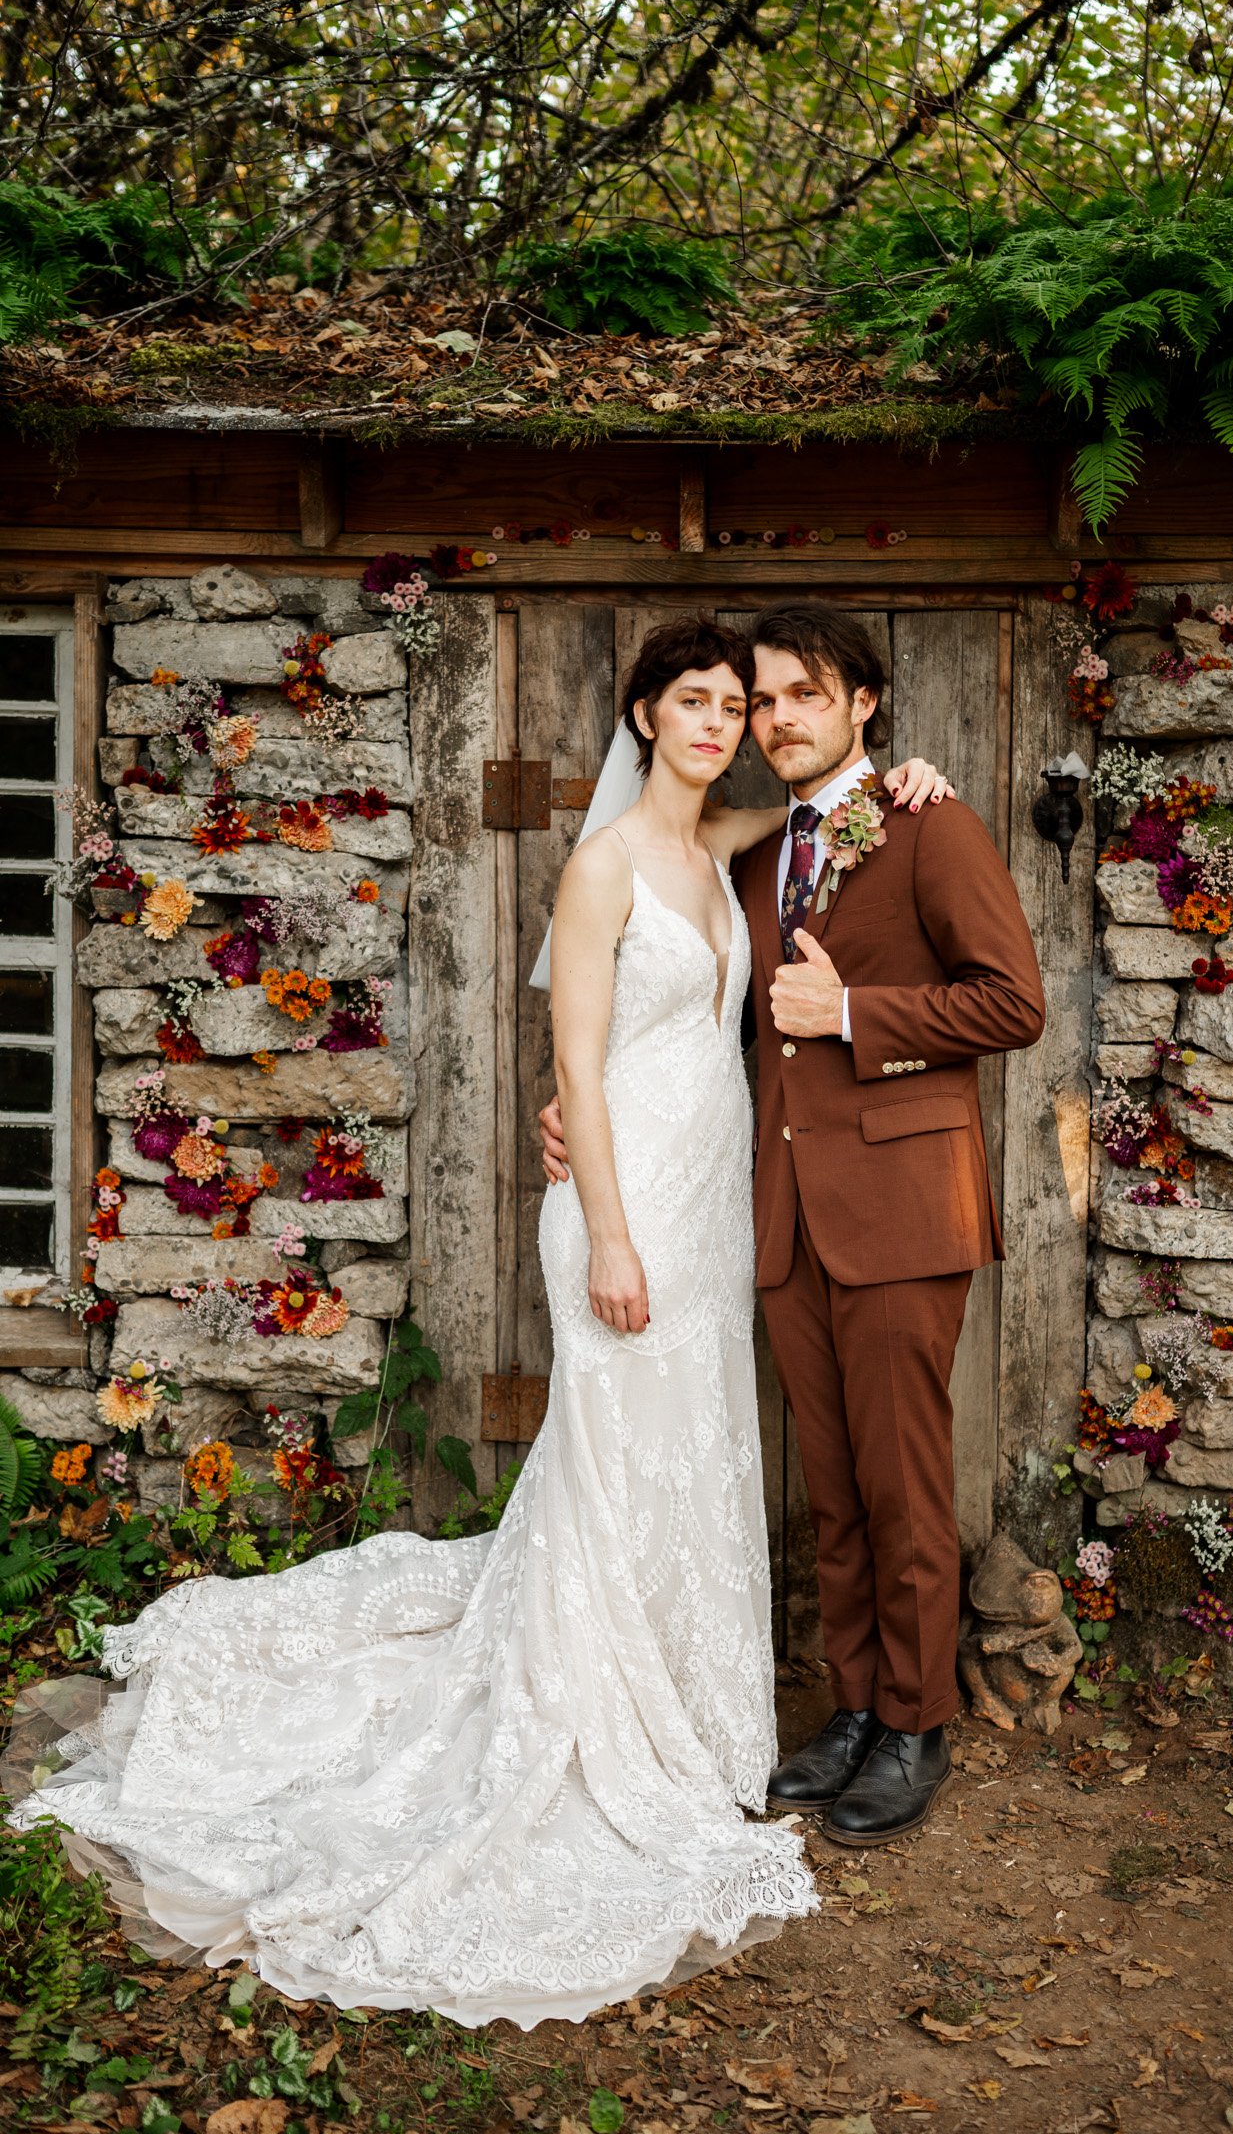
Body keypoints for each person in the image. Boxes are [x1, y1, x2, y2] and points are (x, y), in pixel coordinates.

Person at [9, 615, 952, 2030]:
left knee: (690, 1452)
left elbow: (816, 809)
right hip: (626, 1208)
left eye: (731, 706)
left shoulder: (724, 854)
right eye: (689, 702)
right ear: (640, 714)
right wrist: (611, 1225)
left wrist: (905, 774)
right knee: (612, 1451)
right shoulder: (604, 863)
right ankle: (589, 1723)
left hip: (710, 1211)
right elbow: (573, 1051)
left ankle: (697, 1727)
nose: (716, 723)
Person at [542, 601, 1045, 1847]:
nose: (774, 720)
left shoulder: (934, 828)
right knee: (833, 1486)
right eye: (761, 701)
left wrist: (859, 1013)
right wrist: (570, 1106)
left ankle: (918, 1723)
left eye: (801, 696)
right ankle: (857, 1703)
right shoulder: (753, 854)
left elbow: (1013, 1002)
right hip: (775, 1216)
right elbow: (670, 1010)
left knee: (903, 1479)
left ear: (863, 703)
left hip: (902, 1212)